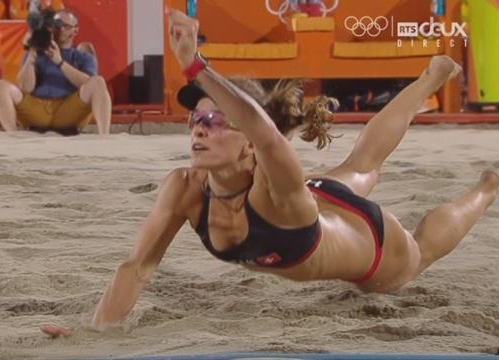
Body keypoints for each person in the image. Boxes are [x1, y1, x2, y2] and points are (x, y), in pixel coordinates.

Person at [41, 9, 498, 336]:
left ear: (247, 142)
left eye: (215, 120)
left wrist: (196, 66)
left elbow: (268, 136)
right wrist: (95, 333)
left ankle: (488, 187)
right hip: (322, 199)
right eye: (195, 120)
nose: (198, 130)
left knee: (418, 254)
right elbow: (137, 267)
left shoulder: (275, 178)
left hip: (372, 245)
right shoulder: (184, 186)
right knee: (361, 165)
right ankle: (430, 78)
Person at [0, 9, 112, 135]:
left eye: (64, 26)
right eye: (56, 25)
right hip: (37, 110)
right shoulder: (37, 51)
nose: (59, 29)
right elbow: (25, 88)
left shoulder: (82, 56)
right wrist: (31, 58)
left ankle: (104, 136)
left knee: (99, 81)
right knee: (0, 86)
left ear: (75, 30)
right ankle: (13, 134)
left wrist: (60, 62)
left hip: (68, 110)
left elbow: (89, 83)